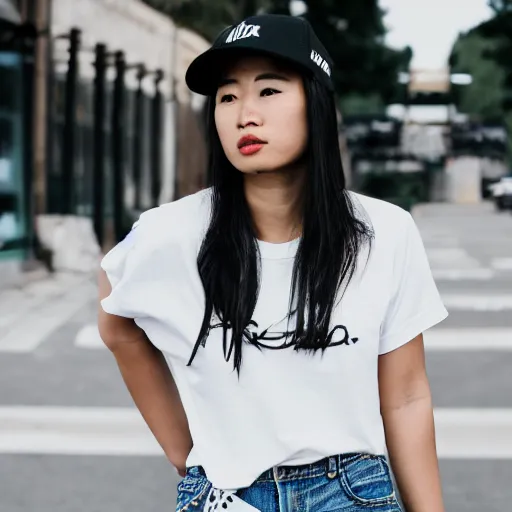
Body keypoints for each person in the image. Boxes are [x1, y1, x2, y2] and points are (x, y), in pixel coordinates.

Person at [98, 14, 448, 512]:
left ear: (316, 101)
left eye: (268, 91)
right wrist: (184, 449)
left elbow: (407, 395)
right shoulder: (168, 234)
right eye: (226, 97)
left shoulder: (385, 232)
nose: (244, 114)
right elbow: (116, 324)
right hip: (225, 493)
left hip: (351, 493)